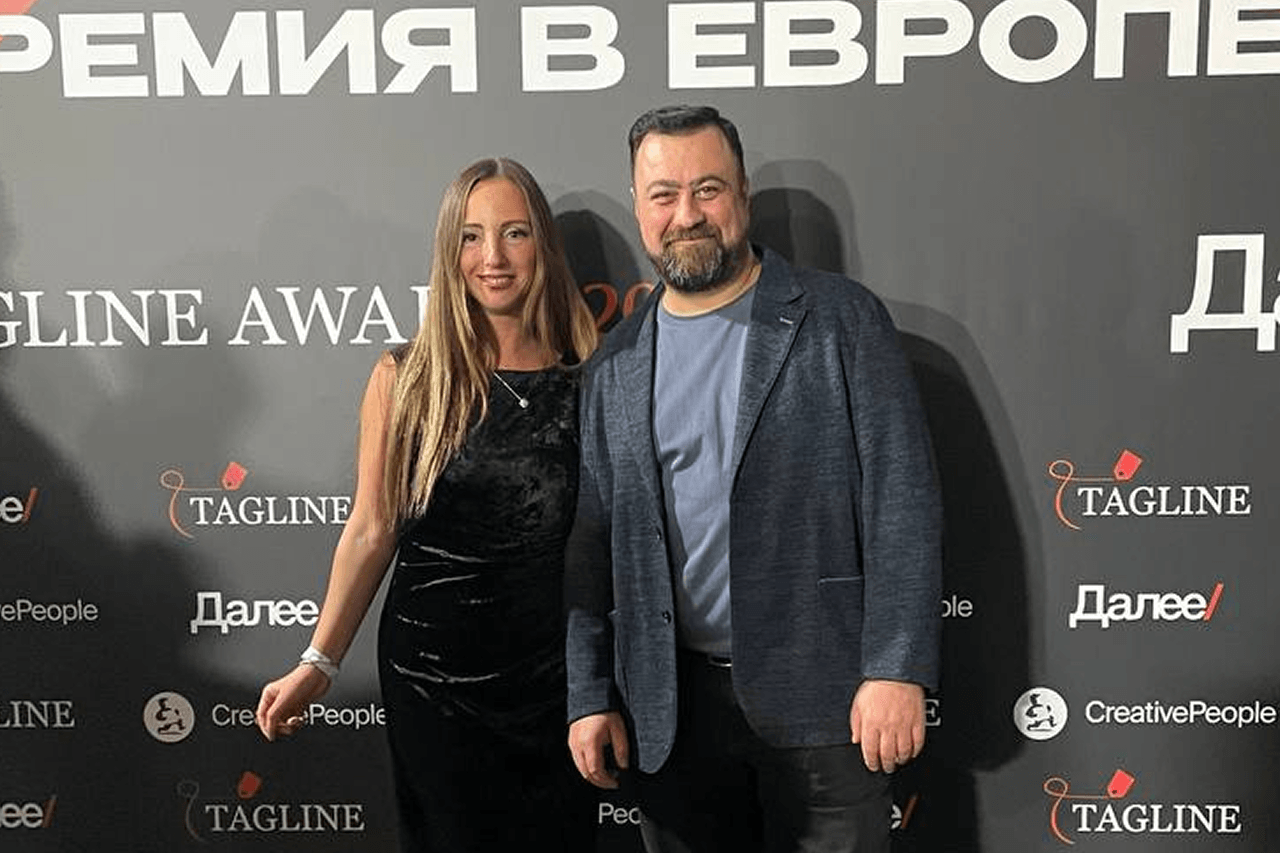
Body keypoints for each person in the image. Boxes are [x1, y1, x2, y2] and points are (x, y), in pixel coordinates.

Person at [565, 105, 943, 853]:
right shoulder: (614, 362)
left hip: (829, 700)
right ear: (640, 208)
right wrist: (589, 693)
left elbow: (901, 500)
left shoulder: (840, 320)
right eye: (664, 195)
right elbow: (591, 545)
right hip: (672, 713)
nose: (686, 215)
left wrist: (896, 667)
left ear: (741, 193)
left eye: (707, 189)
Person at [256, 157, 599, 852]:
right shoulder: (407, 376)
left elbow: (602, 548)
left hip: (550, 683)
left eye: (514, 233)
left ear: (542, 245)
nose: (493, 257)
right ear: (450, 251)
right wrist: (319, 660)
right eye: (471, 236)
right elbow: (371, 529)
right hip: (431, 680)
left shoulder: (589, 383)